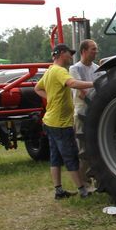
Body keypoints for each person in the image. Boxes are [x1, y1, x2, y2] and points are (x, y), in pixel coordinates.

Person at [35, 44, 95, 199]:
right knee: (71, 156)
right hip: (60, 124)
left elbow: (37, 88)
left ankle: (59, 190)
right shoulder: (60, 71)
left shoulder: (49, 70)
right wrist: (94, 84)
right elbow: (73, 84)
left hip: (49, 121)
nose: (71, 56)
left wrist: (51, 98)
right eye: (69, 53)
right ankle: (82, 190)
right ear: (61, 53)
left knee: (55, 157)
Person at [69, 40, 100, 182]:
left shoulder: (98, 68)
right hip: (82, 112)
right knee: (83, 149)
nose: (96, 52)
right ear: (83, 51)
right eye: (93, 49)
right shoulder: (75, 69)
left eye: (96, 49)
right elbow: (82, 92)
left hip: (96, 111)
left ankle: (93, 177)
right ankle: (82, 181)